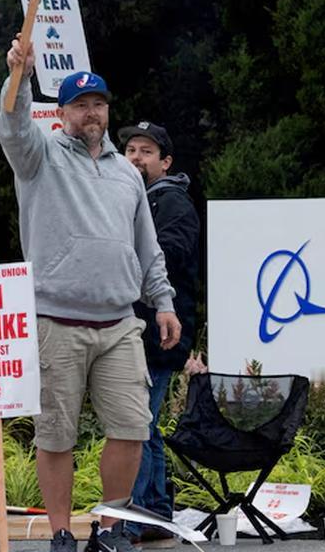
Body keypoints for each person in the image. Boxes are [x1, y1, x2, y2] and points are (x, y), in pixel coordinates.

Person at [0, 37, 180, 552]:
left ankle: (111, 527)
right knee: (56, 434)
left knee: (133, 428)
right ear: (61, 113)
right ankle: (61, 533)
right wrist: (19, 76)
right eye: (80, 104)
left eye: (98, 103)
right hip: (56, 320)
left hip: (120, 322)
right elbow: (12, 125)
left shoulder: (127, 173)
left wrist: (163, 302)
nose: (91, 112)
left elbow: (146, 246)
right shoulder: (38, 156)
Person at [117, 121, 200, 541]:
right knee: (144, 425)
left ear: (165, 162)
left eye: (146, 152)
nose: (136, 158)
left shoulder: (172, 202)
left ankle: (137, 518)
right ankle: (155, 513)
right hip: (141, 331)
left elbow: (167, 256)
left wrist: (118, 256)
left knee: (136, 425)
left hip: (158, 333)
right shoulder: (132, 199)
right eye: (131, 150)